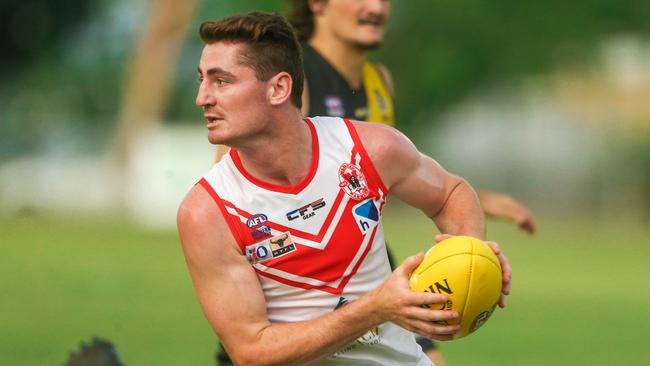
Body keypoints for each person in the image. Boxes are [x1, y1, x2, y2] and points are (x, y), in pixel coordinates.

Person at [178, 11, 511, 366]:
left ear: (278, 88)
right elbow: (252, 352)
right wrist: (376, 308)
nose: (203, 98)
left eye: (222, 81)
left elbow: (450, 193)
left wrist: (469, 255)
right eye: (202, 80)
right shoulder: (208, 213)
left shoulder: (370, 149)